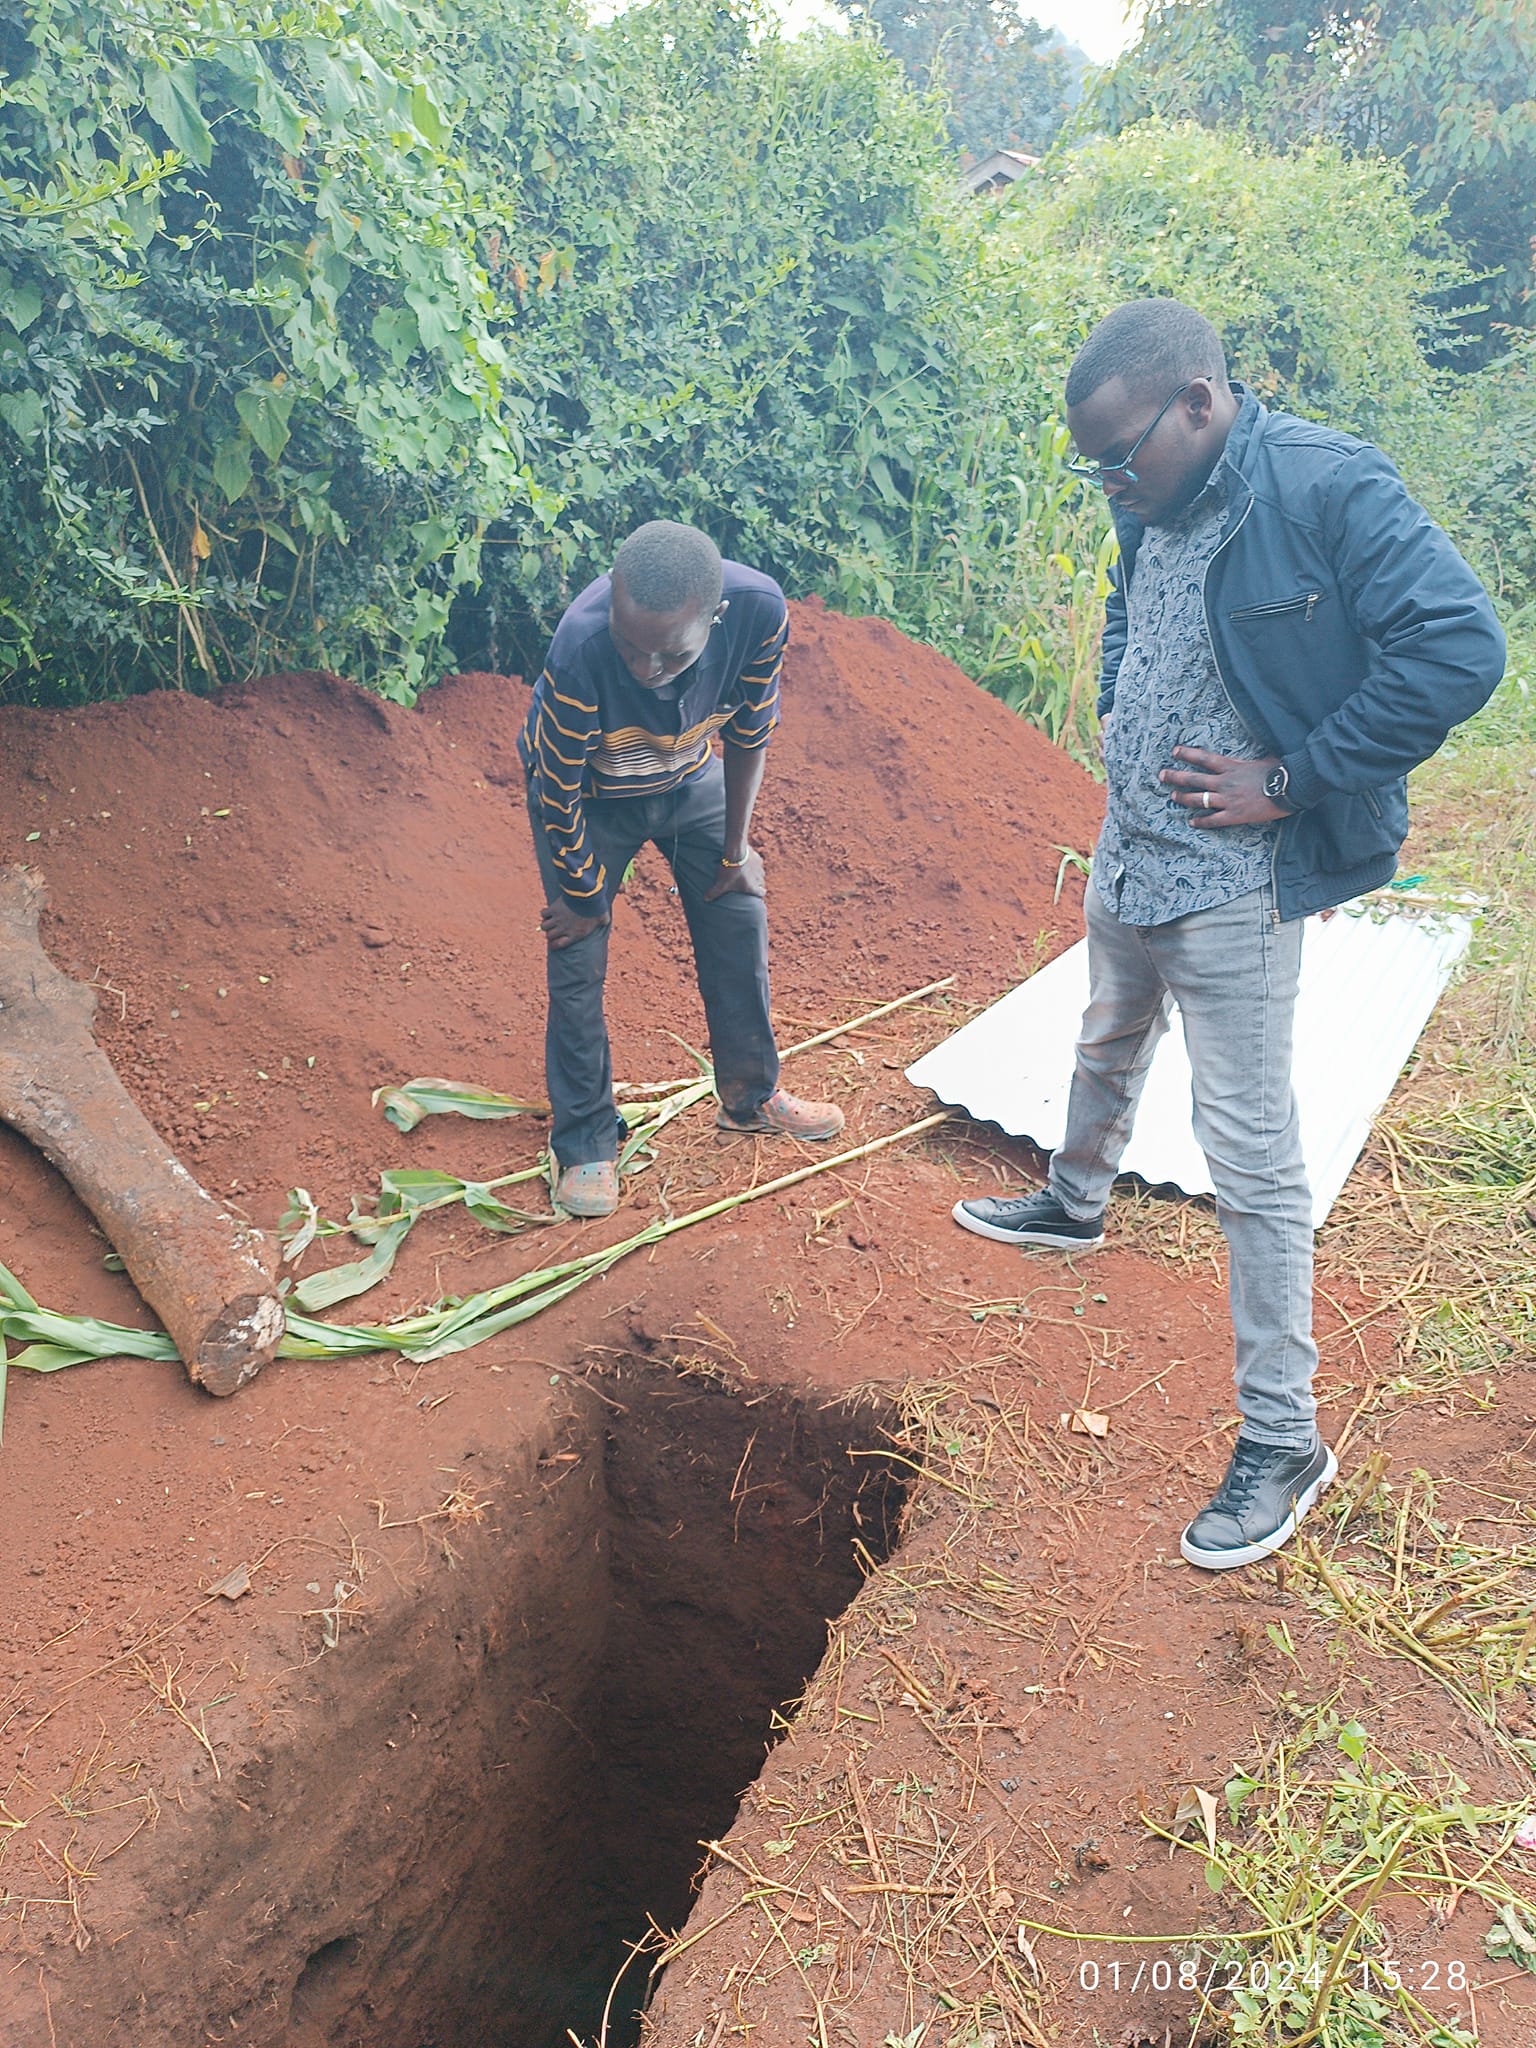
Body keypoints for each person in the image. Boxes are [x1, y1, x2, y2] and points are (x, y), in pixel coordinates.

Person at [953, 299, 1505, 1570]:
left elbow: (1462, 647)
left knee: (1248, 1156)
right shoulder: (1145, 491)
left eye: (1119, 455)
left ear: (1198, 402)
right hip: (1132, 846)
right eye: (1091, 465)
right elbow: (1128, 614)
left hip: (1233, 882)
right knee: (1104, 1036)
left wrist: (1296, 777)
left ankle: (1284, 1439)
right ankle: (1074, 1201)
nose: (1108, 482)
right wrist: (1115, 715)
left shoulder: (1324, 487)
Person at [520, 519, 843, 1219]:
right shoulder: (579, 646)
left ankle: (751, 1098)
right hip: (593, 798)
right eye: (629, 647)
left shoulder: (758, 613)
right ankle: (584, 1144)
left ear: (715, 618)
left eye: (667, 656)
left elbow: (750, 734)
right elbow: (556, 789)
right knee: (576, 953)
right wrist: (582, 895)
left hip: (688, 775)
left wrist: (735, 851)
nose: (644, 668)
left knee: (738, 912)